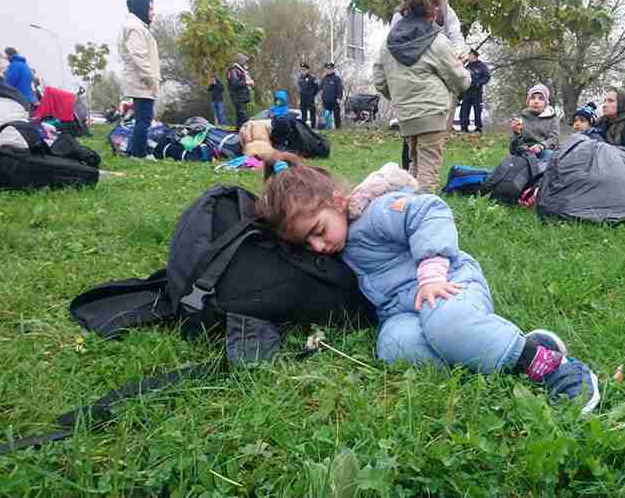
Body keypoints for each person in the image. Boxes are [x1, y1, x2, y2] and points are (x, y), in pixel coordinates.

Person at [256, 156, 601, 413]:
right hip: (405, 312)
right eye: (306, 244)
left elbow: (429, 211)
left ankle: (554, 366)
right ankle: (504, 348)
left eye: (318, 230)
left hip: (449, 285)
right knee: (393, 347)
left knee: (446, 323)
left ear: (338, 201)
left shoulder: (375, 213)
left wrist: (432, 271)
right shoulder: (337, 247)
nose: (318, 246)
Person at [374, 0, 471, 193]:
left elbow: (380, 80)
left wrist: (402, 96)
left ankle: (404, 210)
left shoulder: (388, 43)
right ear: (434, 9)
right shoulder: (437, 41)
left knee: (414, 166)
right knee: (427, 173)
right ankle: (421, 217)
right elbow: (460, 81)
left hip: (405, 115)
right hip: (433, 113)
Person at [119, 0, 160, 159]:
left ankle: (133, 150)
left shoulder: (136, 26)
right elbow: (139, 57)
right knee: (144, 119)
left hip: (141, 80)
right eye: (150, 8)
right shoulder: (134, 28)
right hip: (142, 81)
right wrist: (150, 79)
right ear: (141, 8)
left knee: (141, 118)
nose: (153, 13)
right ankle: (138, 154)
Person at [509, 84, 560, 164]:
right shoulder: (520, 119)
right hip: (525, 153)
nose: (536, 101)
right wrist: (516, 133)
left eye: (541, 98)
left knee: (549, 156)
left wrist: (541, 146)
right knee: (512, 161)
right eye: (532, 98)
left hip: (544, 151)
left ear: (546, 103)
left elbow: (554, 139)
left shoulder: (552, 118)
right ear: (528, 101)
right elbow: (513, 150)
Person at [459, 48, 490, 133]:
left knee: (477, 110)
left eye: (470, 55)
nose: (468, 56)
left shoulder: (482, 66)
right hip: (467, 92)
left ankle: (478, 128)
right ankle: (464, 127)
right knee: (464, 110)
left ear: (474, 56)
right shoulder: (467, 66)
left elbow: (487, 77)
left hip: (477, 92)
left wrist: (479, 83)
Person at [227, 53, 254, 130]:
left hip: (242, 96)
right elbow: (235, 83)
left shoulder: (241, 70)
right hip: (238, 97)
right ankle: (245, 131)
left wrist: (249, 82)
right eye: (245, 62)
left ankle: (238, 131)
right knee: (242, 116)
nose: (246, 64)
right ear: (240, 62)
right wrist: (247, 82)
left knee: (240, 116)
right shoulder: (233, 70)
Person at [320, 62, 344, 130]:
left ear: (333, 69)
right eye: (327, 69)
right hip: (326, 101)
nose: (328, 70)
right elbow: (320, 87)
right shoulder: (324, 79)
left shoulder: (336, 78)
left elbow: (340, 89)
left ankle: (338, 128)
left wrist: (339, 98)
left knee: (336, 116)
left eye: (330, 69)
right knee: (327, 116)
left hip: (335, 101)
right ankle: (328, 128)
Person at [298, 63, 319, 129]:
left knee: (312, 113)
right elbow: (300, 88)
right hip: (303, 98)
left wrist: (312, 95)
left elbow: (317, 88)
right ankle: (304, 129)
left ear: (308, 70)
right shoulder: (300, 78)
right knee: (303, 114)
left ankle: (313, 128)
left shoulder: (312, 78)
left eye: (304, 69)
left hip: (310, 99)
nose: (303, 71)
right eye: (301, 70)